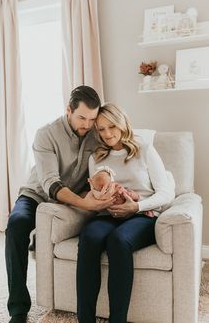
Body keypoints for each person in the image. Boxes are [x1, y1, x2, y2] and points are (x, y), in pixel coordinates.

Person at [5, 86, 114, 323]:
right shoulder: (46, 134)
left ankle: (39, 237)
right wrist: (86, 205)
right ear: (68, 110)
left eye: (92, 119)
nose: (87, 124)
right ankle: (18, 309)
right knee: (16, 226)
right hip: (38, 193)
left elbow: (104, 167)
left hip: (69, 199)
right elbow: (50, 185)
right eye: (81, 117)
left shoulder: (96, 135)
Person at [76, 102, 175, 323]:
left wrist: (136, 206)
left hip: (143, 215)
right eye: (101, 129)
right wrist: (100, 202)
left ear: (122, 123)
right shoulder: (96, 158)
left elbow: (166, 192)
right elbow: (96, 193)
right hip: (108, 215)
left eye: (111, 126)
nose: (107, 133)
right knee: (89, 237)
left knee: (118, 241)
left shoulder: (144, 150)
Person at [88, 167, 154, 217]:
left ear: (112, 182)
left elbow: (129, 195)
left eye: (106, 186)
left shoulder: (119, 189)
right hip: (112, 215)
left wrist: (139, 205)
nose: (104, 190)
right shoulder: (100, 195)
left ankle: (146, 210)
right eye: (100, 189)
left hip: (131, 209)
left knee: (132, 195)